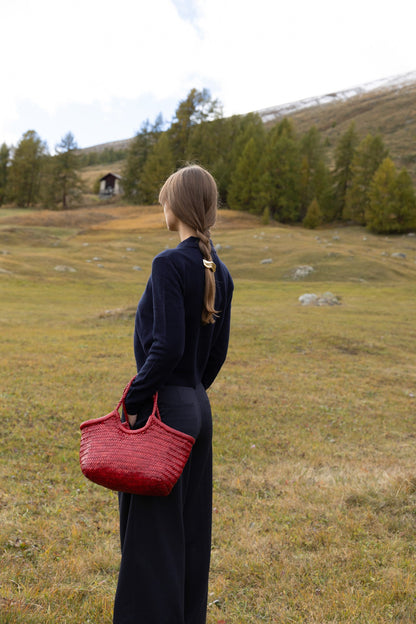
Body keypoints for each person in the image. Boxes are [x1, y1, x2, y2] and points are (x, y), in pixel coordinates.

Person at [113, 164, 234, 624]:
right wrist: (191, 394)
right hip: (197, 408)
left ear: (176, 205)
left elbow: (166, 346)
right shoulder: (219, 270)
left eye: (164, 199)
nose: (161, 207)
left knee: (151, 537)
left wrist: (136, 400)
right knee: (188, 532)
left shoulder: (169, 263)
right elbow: (215, 356)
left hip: (166, 409)